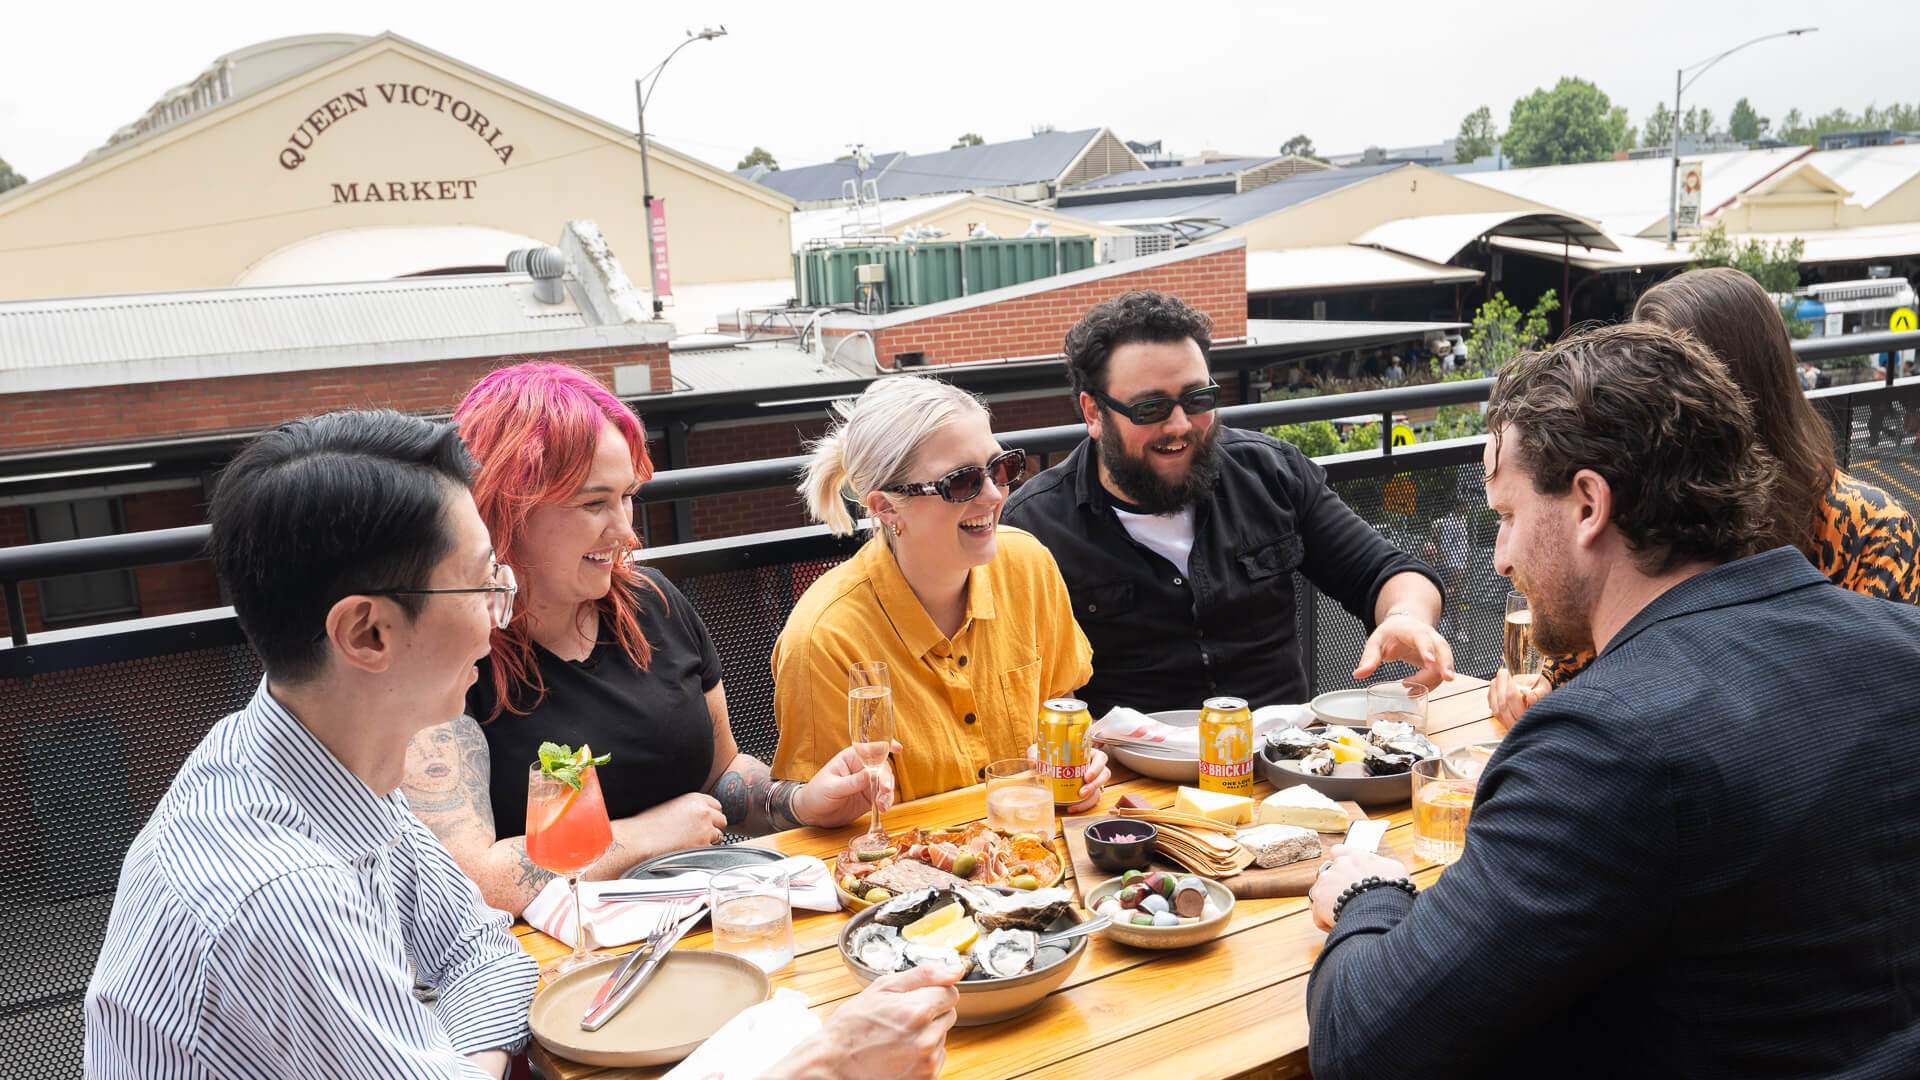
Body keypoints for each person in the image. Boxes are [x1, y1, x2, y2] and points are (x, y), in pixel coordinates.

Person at [84, 409, 961, 1080]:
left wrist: (451, 1063)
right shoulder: (278, 895)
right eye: (481, 580)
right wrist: (818, 1066)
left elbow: (480, 951)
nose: (497, 613)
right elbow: (485, 908)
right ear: (368, 634)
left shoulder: (308, 760)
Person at [1306, 324, 1920, 1078]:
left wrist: (1369, 891)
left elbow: (1364, 1046)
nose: (1498, 558)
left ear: (1589, 504)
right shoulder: (1904, 642)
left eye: (1505, 516)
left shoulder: (1610, 740)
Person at [401, 363, 889, 917]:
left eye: (628, 496)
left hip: (705, 920)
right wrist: (645, 835)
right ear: (506, 507)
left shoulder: (651, 603)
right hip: (562, 962)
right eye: (594, 503)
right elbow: (472, 881)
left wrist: (798, 801)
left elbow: (719, 772)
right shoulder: (454, 652)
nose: (627, 531)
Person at [1491, 267, 1920, 726]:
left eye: (1670, 382)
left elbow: (1879, 702)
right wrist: (1543, 696)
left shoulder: (1868, 528)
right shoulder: (1640, 519)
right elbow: (1578, 669)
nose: (1647, 407)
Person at [1001, 291, 1451, 716]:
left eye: (1198, 399)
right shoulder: (1035, 528)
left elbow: (1387, 572)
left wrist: (1407, 619)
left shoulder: (1268, 473)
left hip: (1284, 765)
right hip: (1131, 788)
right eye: (1149, 408)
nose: (1180, 425)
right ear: (1094, 413)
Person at [772, 375, 1108, 807]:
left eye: (1000, 468)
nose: (993, 495)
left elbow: (1064, 708)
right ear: (885, 507)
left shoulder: (1030, 565)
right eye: (961, 482)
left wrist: (1078, 769)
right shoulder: (824, 637)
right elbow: (830, 827)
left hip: (1038, 855)